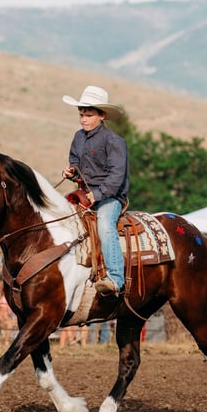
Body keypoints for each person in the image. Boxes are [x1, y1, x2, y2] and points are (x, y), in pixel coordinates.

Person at [62, 85, 128, 295]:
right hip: (84, 194)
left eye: (88, 115)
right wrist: (71, 172)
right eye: (81, 115)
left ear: (102, 115)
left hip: (110, 196)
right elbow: (75, 162)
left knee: (105, 225)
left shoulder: (114, 141)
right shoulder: (78, 137)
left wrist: (96, 195)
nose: (83, 119)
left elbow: (117, 176)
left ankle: (115, 278)